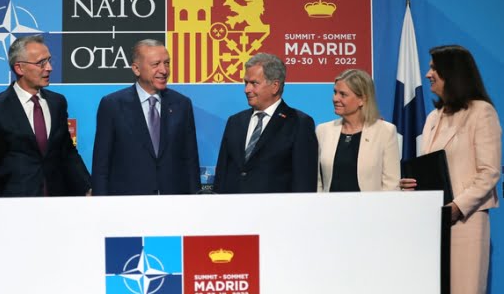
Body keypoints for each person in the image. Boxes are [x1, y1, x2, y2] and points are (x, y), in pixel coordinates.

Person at [401, 45, 501, 294]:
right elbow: (430, 166)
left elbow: (489, 171)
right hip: (431, 221)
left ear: (452, 73)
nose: (428, 74)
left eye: (434, 68)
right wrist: (411, 185)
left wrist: (458, 206)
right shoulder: (433, 117)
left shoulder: (481, 112)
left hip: (466, 220)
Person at [0, 35, 90, 197]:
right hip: (13, 202)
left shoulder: (57, 103)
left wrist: (87, 187)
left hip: (56, 199)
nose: (49, 68)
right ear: (19, 68)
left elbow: (67, 151)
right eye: (41, 63)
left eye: (49, 60)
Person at [91, 39, 201, 195]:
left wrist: (196, 201)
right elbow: (101, 165)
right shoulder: (112, 105)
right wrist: (100, 204)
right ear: (136, 69)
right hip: (128, 202)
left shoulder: (182, 104)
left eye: (167, 63)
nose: (164, 70)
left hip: (173, 201)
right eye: (156, 64)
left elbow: (191, 161)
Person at [213, 53, 317, 193]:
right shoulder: (235, 121)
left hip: (276, 206)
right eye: (246, 83)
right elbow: (222, 174)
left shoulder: (299, 123)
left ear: (275, 86)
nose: (247, 89)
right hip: (234, 205)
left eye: (254, 83)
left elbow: (304, 180)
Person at [316, 69, 400, 192]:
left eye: (343, 94)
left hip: (371, 204)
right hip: (330, 204)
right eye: (335, 92)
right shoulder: (323, 131)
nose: (335, 98)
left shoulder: (385, 131)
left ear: (362, 99)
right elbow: (317, 181)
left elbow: (391, 184)